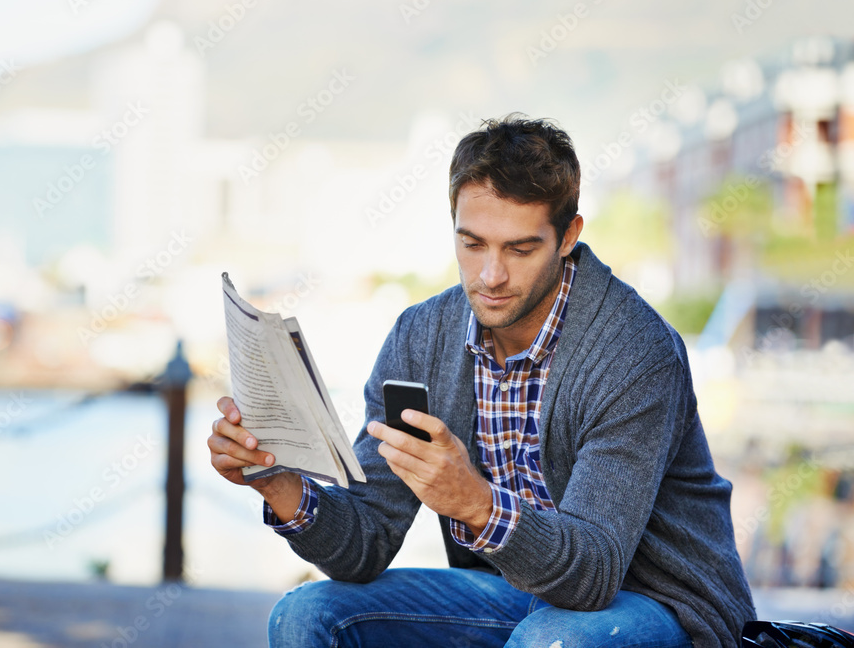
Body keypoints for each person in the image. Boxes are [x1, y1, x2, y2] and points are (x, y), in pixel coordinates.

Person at [209, 113, 755, 647]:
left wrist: (475, 504)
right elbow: (364, 544)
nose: (491, 276)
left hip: (665, 608)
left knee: (550, 639)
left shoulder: (632, 352)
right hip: (515, 596)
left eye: (519, 249)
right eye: (472, 245)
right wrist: (275, 481)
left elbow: (592, 573)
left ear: (568, 237)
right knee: (308, 614)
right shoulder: (422, 337)